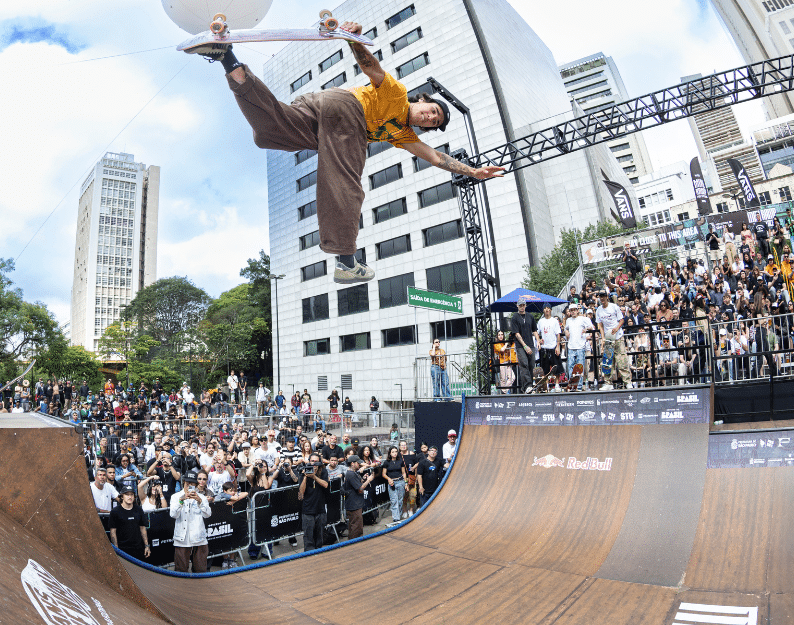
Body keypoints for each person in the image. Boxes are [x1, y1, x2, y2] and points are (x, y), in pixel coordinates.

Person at [208, 22, 503, 285]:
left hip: (319, 112)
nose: (429, 117)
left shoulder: (403, 134)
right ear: (423, 99)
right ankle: (347, 261)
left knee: (273, 131)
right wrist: (352, 40)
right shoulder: (397, 94)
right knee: (345, 181)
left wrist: (473, 172)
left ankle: (229, 62)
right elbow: (371, 68)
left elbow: (437, 158)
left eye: (433, 122)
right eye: (432, 111)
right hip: (347, 112)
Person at [169, 471, 211, 572]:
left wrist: (200, 502)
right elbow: (173, 514)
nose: (189, 486)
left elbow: (208, 514)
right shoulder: (175, 497)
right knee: (180, 570)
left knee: (200, 570)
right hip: (182, 539)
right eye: (187, 483)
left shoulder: (202, 498)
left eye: (192, 484)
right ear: (183, 482)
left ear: (196, 485)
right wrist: (181, 501)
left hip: (199, 538)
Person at [594, 290, 630, 389]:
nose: (602, 298)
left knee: (621, 359)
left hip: (618, 336)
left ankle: (627, 382)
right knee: (607, 362)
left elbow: (622, 320)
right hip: (608, 338)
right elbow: (600, 325)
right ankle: (608, 383)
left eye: (603, 296)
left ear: (607, 296)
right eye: (600, 296)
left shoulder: (614, 307)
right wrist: (603, 338)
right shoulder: (598, 310)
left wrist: (617, 328)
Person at [297, 453, 330, 551]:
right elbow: (301, 492)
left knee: (319, 536)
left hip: (320, 509)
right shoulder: (303, 472)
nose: (314, 464)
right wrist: (306, 476)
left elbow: (325, 485)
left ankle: (318, 554)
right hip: (308, 510)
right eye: (312, 461)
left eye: (316, 461)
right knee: (308, 537)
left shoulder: (323, 471)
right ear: (309, 461)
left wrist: (314, 477)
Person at [108, 487, 151, 561]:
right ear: (122, 496)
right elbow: (113, 532)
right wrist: (116, 550)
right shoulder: (115, 512)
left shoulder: (139, 509)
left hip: (138, 548)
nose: (130, 497)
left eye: (132, 494)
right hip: (123, 550)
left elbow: (143, 528)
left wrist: (147, 546)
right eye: (127, 494)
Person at [342, 455, 375, 539]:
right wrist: (368, 480)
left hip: (354, 504)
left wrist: (363, 479)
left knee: (355, 526)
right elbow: (360, 489)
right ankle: (354, 545)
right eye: (358, 463)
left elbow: (356, 485)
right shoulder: (351, 474)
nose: (359, 465)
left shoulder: (351, 473)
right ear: (352, 463)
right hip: (354, 505)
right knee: (356, 528)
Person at [508, 300, 538, 392]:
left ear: (525, 305)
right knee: (524, 364)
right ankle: (527, 386)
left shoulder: (530, 316)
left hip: (531, 343)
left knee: (531, 365)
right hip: (521, 346)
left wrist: (538, 341)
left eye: (523, 305)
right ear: (517, 305)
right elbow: (516, 333)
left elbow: (535, 330)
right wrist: (525, 346)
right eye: (520, 305)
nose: (522, 307)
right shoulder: (515, 317)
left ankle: (527, 386)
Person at [563, 303, 593, 388]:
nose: (573, 312)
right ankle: (572, 385)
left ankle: (579, 386)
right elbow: (565, 329)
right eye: (571, 310)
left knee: (579, 367)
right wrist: (566, 331)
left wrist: (586, 329)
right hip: (571, 346)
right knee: (571, 367)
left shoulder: (583, 319)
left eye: (574, 310)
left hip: (580, 346)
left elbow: (591, 327)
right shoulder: (568, 320)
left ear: (577, 310)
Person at [537, 305, 563, 385]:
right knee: (545, 369)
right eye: (545, 308)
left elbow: (558, 333)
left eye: (548, 308)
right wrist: (539, 340)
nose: (546, 310)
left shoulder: (554, 321)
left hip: (553, 346)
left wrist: (558, 346)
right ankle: (546, 385)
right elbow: (537, 333)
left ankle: (557, 384)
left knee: (557, 368)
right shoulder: (541, 321)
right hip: (544, 348)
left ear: (551, 310)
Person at [381, 445, 406, 524]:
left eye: (396, 451)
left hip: (401, 482)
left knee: (400, 501)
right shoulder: (386, 462)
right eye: (393, 452)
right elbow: (383, 474)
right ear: (390, 453)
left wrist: (405, 483)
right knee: (394, 501)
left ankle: (399, 515)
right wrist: (389, 479)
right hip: (392, 483)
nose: (394, 453)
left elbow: (403, 472)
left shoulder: (400, 461)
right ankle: (396, 519)